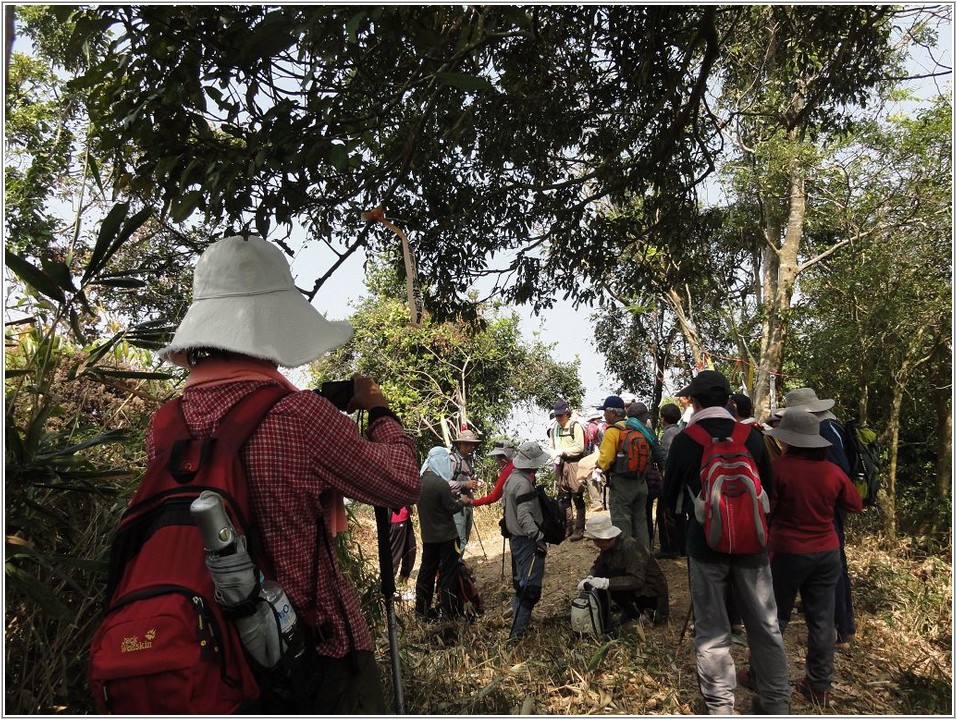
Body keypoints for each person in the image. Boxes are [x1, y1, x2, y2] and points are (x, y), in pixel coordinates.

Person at [157, 234, 421, 714]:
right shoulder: (295, 416)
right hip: (312, 653)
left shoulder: (167, 424)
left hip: (210, 653)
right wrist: (380, 410)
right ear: (272, 327)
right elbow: (402, 481)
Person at [661, 370, 790, 715]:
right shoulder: (752, 436)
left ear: (697, 401)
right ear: (729, 401)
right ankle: (777, 702)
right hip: (754, 545)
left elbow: (669, 497)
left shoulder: (686, 441)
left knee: (713, 630)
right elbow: (769, 489)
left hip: (705, 547)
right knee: (765, 626)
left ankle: (720, 707)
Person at [762, 408, 863, 708]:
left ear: (787, 441)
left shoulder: (779, 469)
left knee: (775, 617)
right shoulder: (832, 472)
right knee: (821, 620)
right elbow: (854, 504)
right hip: (827, 552)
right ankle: (819, 686)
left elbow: (767, 506)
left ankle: (761, 674)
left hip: (787, 552)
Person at [783, 387, 857, 649]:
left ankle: (839, 629)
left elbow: (838, 470)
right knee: (835, 565)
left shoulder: (824, 429)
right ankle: (842, 625)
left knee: (835, 567)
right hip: (830, 506)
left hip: (827, 509)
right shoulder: (831, 425)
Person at [576, 514, 670, 630]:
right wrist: (590, 576)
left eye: (597, 540)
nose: (596, 544)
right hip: (638, 590)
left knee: (610, 581)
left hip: (650, 594)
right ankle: (629, 612)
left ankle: (640, 617)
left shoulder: (630, 547)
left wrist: (606, 583)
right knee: (605, 576)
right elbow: (599, 564)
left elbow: (637, 580)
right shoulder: (609, 547)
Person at [501, 440, 552, 639]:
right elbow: (524, 516)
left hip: (517, 539)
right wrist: (538, 537)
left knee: (522, 585)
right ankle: (518, 633)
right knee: (530, 590)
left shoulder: (512, 479)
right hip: (527, 540)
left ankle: (518, 626)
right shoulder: (523, 484)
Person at [415, 447, 471, 620]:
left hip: (429, 538)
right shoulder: (440, 483)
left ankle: (422, 609)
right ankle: (449, 610)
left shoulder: (420, 482)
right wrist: (462, 501)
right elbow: (451, 508)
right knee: (448, 573)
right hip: (447, 537)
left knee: (427, 572)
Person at [595, 395, 651, 549]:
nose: (604, 415)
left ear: (612, 413)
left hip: (622, 485)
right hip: (641, 482)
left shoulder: (612, 431)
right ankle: (645, 560)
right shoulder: (636, 427)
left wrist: (597, 463)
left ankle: (628, 563)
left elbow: (605, 461)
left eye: (605, 411)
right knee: (640, 522)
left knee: (622, 524)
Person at [627, 401, 668, 550]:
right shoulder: (648, 432)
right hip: (646, 480)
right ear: (643, 418)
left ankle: (631, 548)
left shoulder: (621, 430)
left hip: (626, 481)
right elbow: (659, 454)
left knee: (630, 516)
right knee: (645, 514)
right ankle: (647, 547)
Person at [549, 400, 588, 541]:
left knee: (577, 495)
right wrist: (554, 454)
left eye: (561, 415)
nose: (559, 418)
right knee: (563, 497)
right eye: (557, 416)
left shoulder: (575, 427)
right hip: (560, 464)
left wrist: (563, 451)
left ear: (567, 413)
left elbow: (579, 447)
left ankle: (580, 527)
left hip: (574, 463)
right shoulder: (555, 429)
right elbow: (551, 446)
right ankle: (568, 525)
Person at [655, 403, 686, 559]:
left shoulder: (668, 434)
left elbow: (667, 460)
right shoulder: (681, 431)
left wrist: (665, 481)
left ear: (663, 418)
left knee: (666, 514)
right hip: (682, 479)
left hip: (671, 479)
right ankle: (682, 546)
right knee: (679, 513)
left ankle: (670, 548)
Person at [448, 428, 482, 557]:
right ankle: (454, 570)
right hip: (457, 505)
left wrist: (474, 483)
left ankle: (458, 569)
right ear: (458, 444)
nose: (470, 447)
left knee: (465, 538)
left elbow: (466, 481)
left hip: (467, 504)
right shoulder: (452, 460)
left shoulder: (467, 460)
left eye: (472, 444)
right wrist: (465, 484)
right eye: (466, 444)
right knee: (459, 539)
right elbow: (445, 483)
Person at [472, 441, 516, 507]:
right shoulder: (520, 466)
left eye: (497, 458)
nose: (496, 461)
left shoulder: (507, 470)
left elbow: (494, 497)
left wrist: (473, 502)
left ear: (503, 458)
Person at [389, 504, 417, 592]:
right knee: (396, 553)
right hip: (396, 518)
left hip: (405, 516)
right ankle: (389, 585)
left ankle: (403, 579)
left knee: (411, 549)